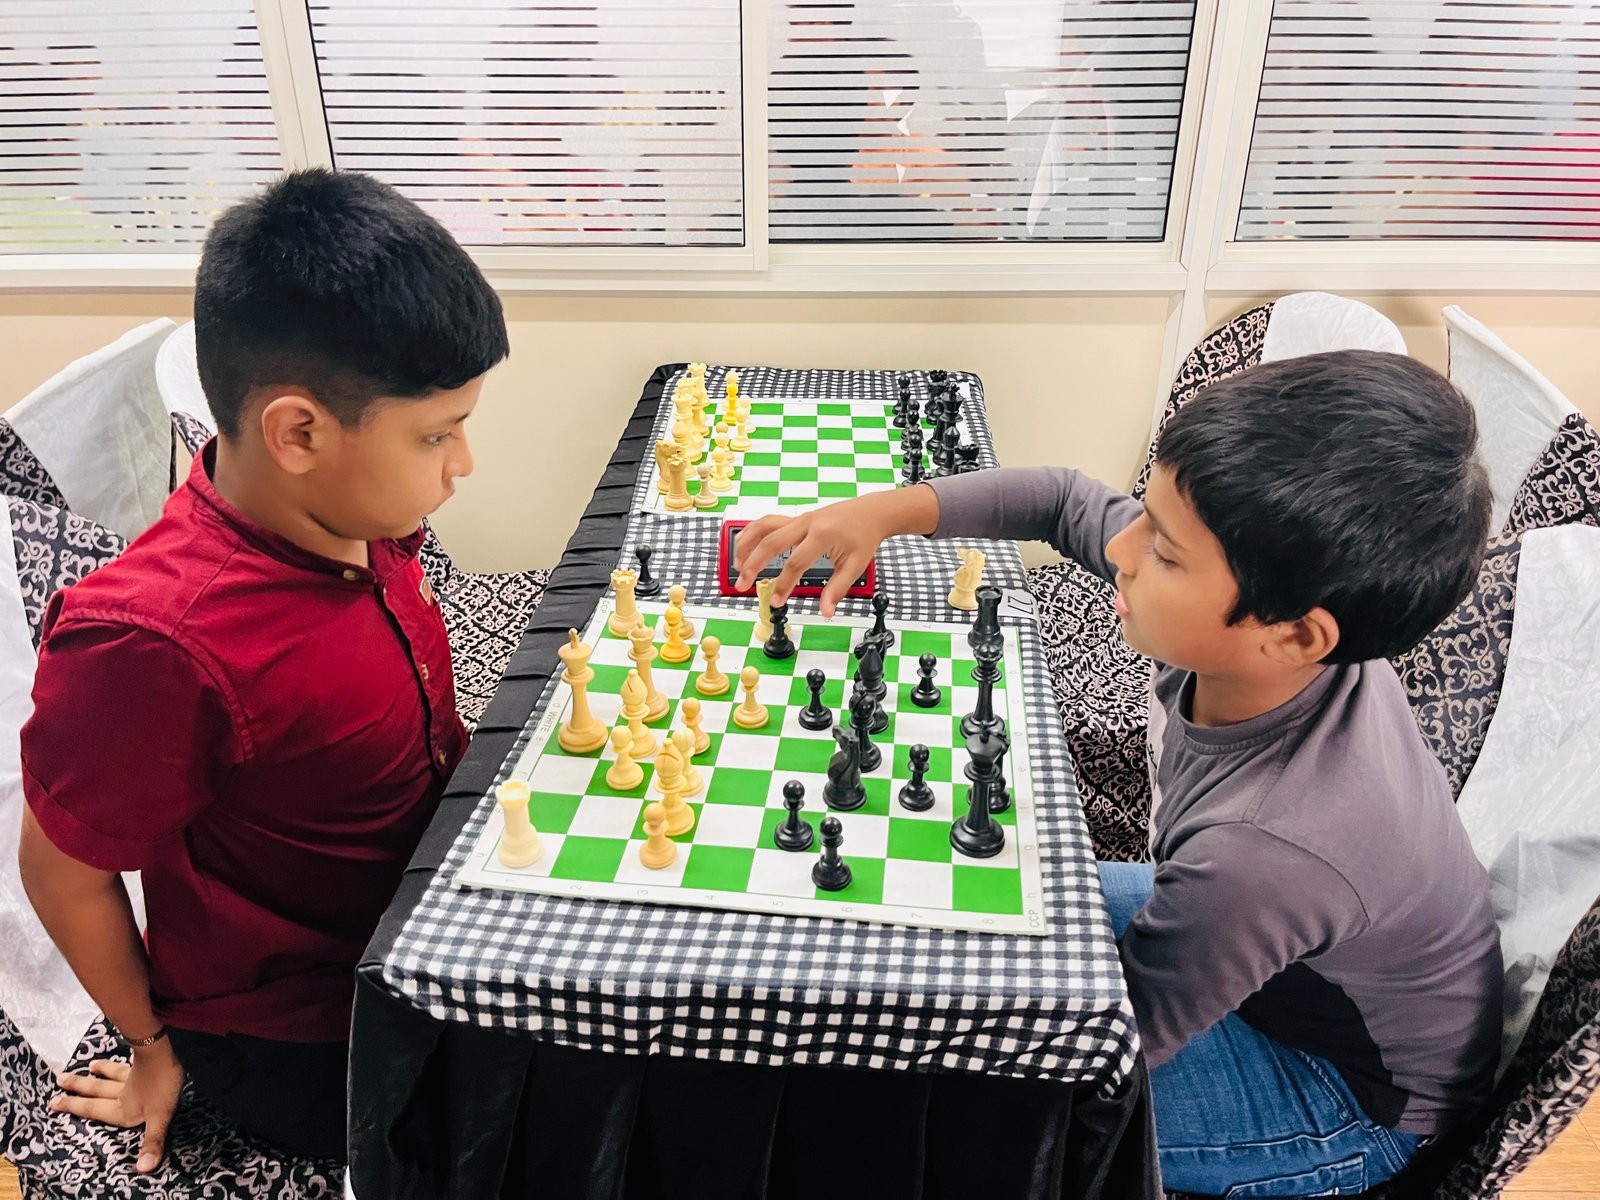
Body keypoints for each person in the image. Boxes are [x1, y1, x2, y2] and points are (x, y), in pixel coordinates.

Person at [733, 350, 1503, 1196]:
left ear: (1293, 634)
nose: (1123, 551)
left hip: (1343, 1097)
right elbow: (1063, 499)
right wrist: (883, 511)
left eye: (1165, 552)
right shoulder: (1277, 641)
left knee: (938, 1115)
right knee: (942, 916)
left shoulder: (1264, 851)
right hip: (1263, 961)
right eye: (1147, 518)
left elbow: (1105, 1056)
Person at [17, 168, 507, 1170]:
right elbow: (59, 871)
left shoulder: (361, 514)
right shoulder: (151, 643)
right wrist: (151, 1048)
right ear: (298, 433)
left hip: (426, 906)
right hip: (305, 1026)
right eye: (436, 434)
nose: (462, 463)